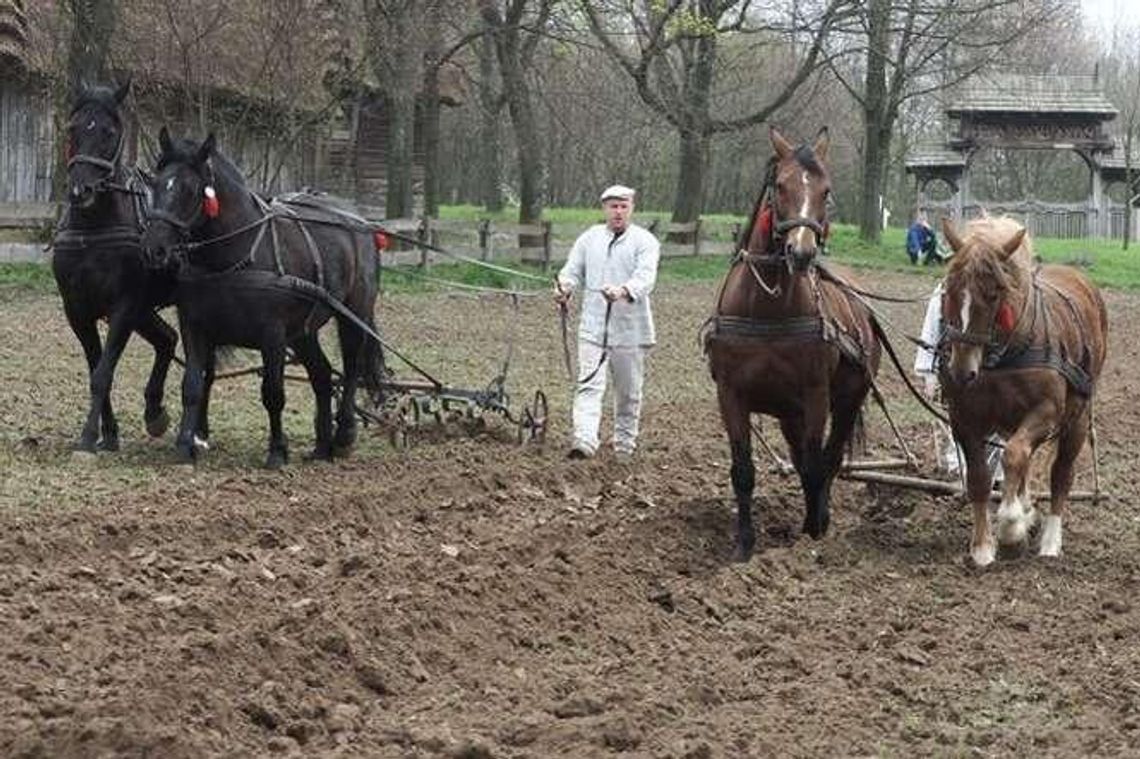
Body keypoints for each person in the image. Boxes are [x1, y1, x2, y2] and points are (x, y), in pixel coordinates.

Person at [553, 184, 660, 460]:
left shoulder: (645, 241)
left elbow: (646, 278)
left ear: (631, 208)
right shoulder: (589, 239)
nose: (618, 212)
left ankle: (624, 446)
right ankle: (585, 441)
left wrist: (623, 291)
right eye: (613, 206)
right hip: (593, 329)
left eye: (623, 206)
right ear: (604, 209)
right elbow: (571, 271)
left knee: (628, 393)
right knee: (588, 385)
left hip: (630, 332)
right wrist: (564, 288)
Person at [913, 281, 1004, 484]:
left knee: (997, 425)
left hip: (992, 369)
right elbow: (931, 328)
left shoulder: (997, 291)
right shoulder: (946, 288)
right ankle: (958, 469)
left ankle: (995, 474)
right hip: (955, 367)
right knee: (958, 421)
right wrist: (928, 371)